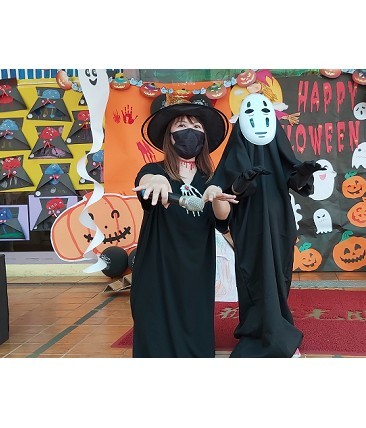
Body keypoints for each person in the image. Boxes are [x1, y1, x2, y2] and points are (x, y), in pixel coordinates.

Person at [212, 93, 324, 358]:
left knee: (278, 276)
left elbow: (293, 178)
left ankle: (278, 326)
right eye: (250, 114)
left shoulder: (277, 146)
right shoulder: (237, 151)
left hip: (280, 223)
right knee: (254, 276)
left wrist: (303, 173)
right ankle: (258, 333)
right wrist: (239, 184)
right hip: (249, 225)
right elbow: (224, 193)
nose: (258, 119)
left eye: (264, 113)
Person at [130, 97, 236, 358]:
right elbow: (146, 181)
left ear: (204, 138)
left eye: (196, 127)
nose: (189, 131)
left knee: (195, 335)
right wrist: (156, 181)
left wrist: (217, 196)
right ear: (170, 136)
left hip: (196, 270)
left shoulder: (210, 179)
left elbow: (222, 220)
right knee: (155, 336)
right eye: (181, 126)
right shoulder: (155, 170)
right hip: (157, 269)